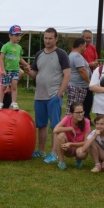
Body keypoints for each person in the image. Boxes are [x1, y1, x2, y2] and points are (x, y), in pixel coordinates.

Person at [27, 28, 70, 162]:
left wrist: (59, 94)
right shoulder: (39, 54)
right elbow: (35, 74)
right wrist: (28, 71)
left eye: (50, 38)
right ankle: (41, 151)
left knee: (55, 126)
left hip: (53, 95)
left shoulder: (61, 54)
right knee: (41, 125)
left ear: (56, 39)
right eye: (46, 38)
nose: (47, 41)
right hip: (39, 95)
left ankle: (54, 153)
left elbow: (67, 76)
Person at [0, 25, 28, 111]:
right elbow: (1, 58)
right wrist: (3, 69)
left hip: (15, 70)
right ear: (10, 35)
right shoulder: (6, 46)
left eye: (19, 35)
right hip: (6, 71)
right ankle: (0, 103)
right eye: (16, 35)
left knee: (14, 87)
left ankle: (14, 103)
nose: (18, 37)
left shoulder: (19, 47)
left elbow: (20, 58)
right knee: (3, 87)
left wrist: (26, 64)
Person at [51, 102, 90, 170]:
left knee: (81, 154)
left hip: (79, 148)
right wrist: (70, 128)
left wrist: (71, 144)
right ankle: (61, 162)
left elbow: (86, 142)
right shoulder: (67, 118)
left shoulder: (86, 122)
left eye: (82, 112)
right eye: (78, 112)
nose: (80, 114)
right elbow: (55, 130)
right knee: (60, 135)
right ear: (71, 113)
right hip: (68, 149)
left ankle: (78, 159)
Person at [66, 37, 91, 116]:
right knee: (75, 107)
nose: (85, 48)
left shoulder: (73, 55)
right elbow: (82, 70)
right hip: (77, 87)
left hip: (76, 86)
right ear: (80, 46)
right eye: (84, 46)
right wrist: (89, 82)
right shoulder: (77, 56)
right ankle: (70, 122)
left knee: (74, 106)